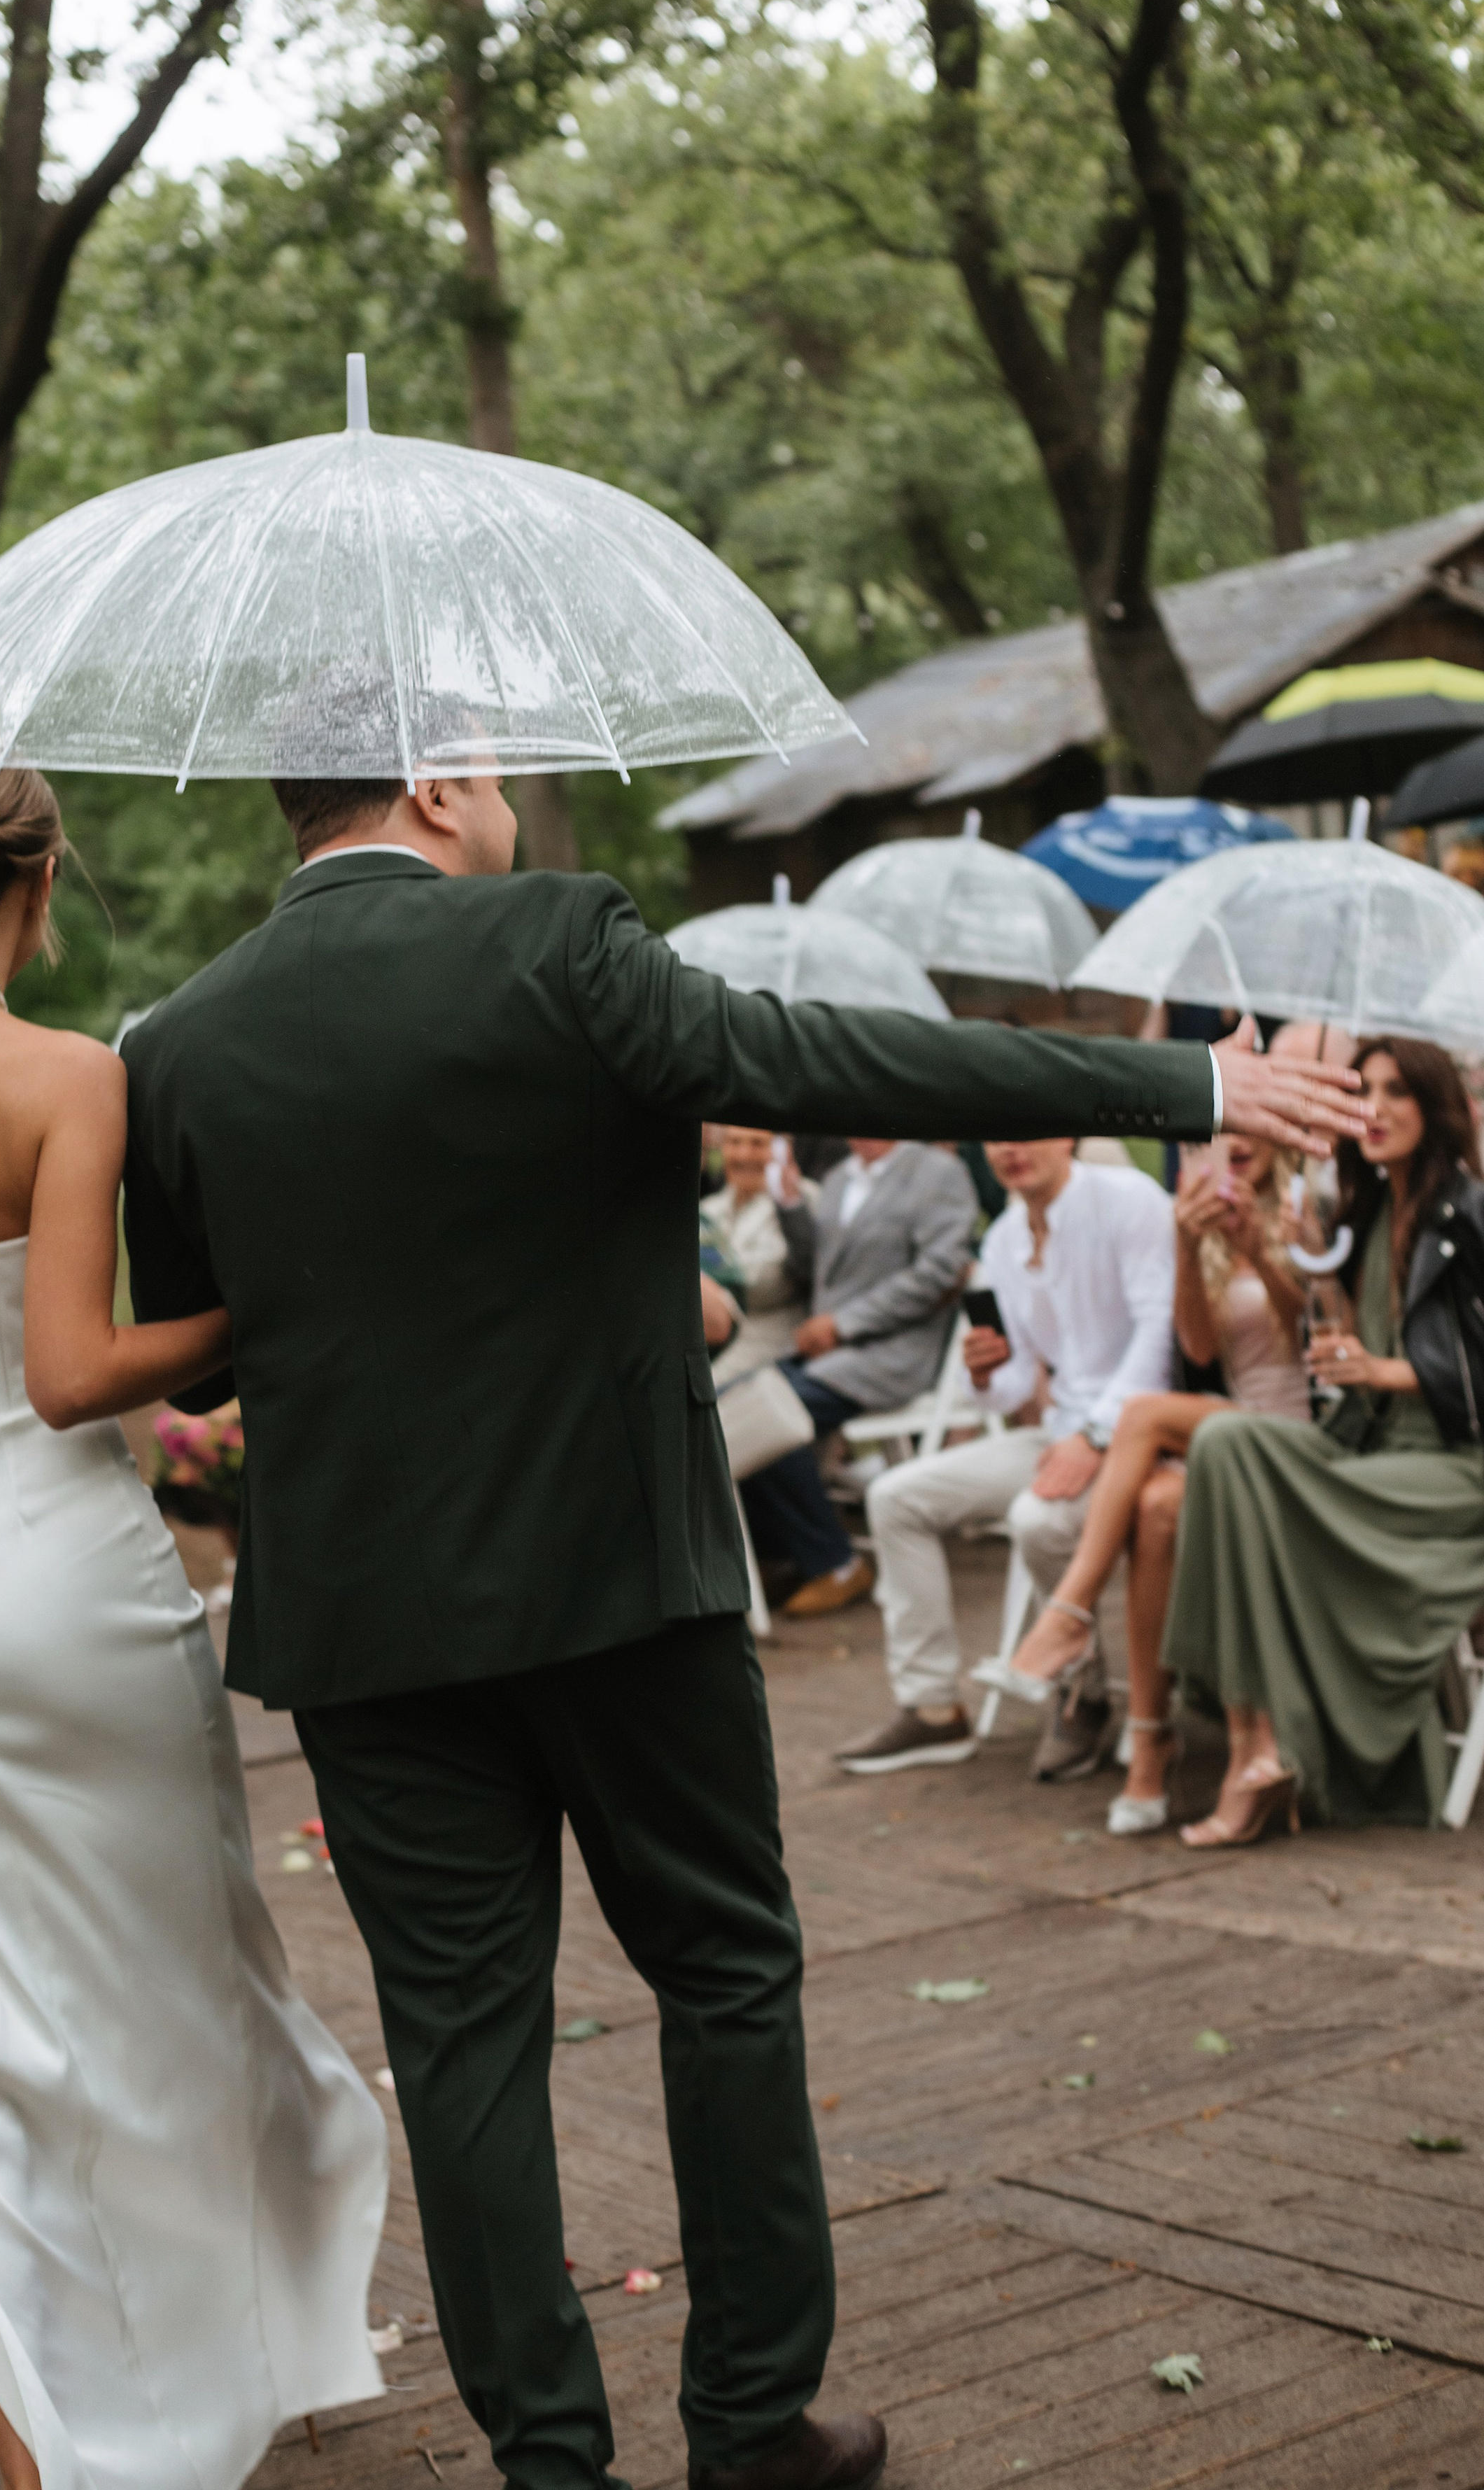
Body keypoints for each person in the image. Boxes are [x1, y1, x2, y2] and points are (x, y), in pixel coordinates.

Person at [120, 768, 1359, 2490]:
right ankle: (748, 2422)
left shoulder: (174, 1039)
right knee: (719, 1969)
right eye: (485, 762)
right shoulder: (560, 937)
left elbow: (195, 1344)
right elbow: (850, 1062)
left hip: (365, 1615)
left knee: (461, 2041)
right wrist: (1184, 1079)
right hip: (615, 1575)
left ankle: (550, 2463)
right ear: (430, 780)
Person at [0, 757, 386, 2490]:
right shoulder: (65, 1073)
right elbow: (67, 1375)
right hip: (72, 1587)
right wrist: (250, 1315)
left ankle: (37, 2444)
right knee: (168, 1984)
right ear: (36, 885)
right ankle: (218, 2370)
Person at [1162, 1036, 1484, 1844]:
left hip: (1453, 1471)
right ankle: (1255, 1744)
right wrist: (1297, 1273)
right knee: (1227, 1446)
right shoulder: (1362, 1211)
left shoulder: (1470, 1214)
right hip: (1368, 1451)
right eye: (1361, 1091)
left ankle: (1258, 1751)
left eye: (1395, 1093)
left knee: (1239, 1466)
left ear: (1435, 1107)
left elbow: (1441, 1370)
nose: (1372, 1110)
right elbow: (1336, 1349)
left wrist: (1391, 1372)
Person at [986, 1133, 1313, 1834]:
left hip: (1300, 1428)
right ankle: (1148, 1742)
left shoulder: (1305, 1207)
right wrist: (1194, 1250)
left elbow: (1316, 1340)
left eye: (1244, 1135)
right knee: (1157, 1503)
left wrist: (1259, 1247)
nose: (1230, 1150)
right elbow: (1197, 1348)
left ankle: (1070, 1613)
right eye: (1213, 1139)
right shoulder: (1193, 1218)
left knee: (1138, 1414)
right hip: (1226, 1427)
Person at [838, 1139, 1175, 1778]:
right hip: (1057, 1436)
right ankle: (932, 1709)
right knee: (896, 1498)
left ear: (1068, 1133)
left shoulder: (1128, 1201)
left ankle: (1082, 1694)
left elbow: (1160, 1336)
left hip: (1141, 1437)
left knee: (1035, 1518)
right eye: (997, 1136)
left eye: (1028, 1130)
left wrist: (1099, 1437)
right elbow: (1018, 1381)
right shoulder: (1003, 1239)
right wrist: (985, 1374)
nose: (1011, 1150)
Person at [740, 1136, 977, 1619]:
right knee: (731, 1404)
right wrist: (788, 1204)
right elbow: (820, 1272)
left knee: (771, 1419)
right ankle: (785, 1552)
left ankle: (836, 1561)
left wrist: (846, 1325)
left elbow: (941, 1271)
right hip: (827, 1353)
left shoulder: (937, 1172)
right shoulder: (839, 1177)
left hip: (892, 1353)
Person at [700, 1125, 813, 1377]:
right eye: (734, 1142)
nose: (743, 1155)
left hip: (770, 1343)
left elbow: (784, 1278)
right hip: (705, 1338)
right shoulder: (708, 1209)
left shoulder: (804, 1201)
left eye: (757, 1144)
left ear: (783, 1149)